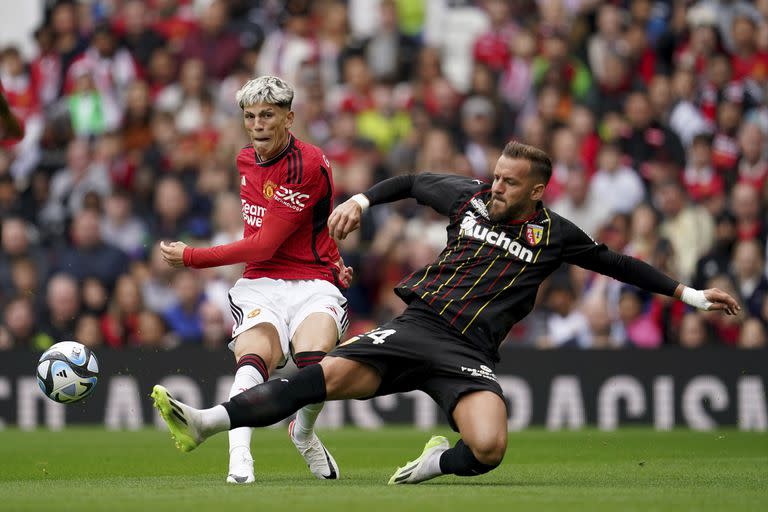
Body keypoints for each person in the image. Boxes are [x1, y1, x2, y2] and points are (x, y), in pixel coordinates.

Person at [152, 141, 740, 485]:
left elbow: (618, 264)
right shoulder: (468, 198)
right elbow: (409, 181)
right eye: (496, 176)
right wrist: (360, 199)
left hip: (468, 354)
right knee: (315, 379)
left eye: (510, 182)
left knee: (488, 450)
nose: (496, 187)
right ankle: (207, 423)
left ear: (538, 190)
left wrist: (691, 296)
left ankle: (437, 461)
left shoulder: (555, 234)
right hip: (417, 327)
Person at [159, 76, 352, 484]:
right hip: (261, 283)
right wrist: (335, 256)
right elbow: (296, 231)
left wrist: (192, 257)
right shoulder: (245, 159)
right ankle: (239, 459)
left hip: (312, 282)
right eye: (250, 116)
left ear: (289, 117)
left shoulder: (308, 164)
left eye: (268, 115)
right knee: (254, 358)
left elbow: (263, 243)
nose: (258, 124)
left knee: (314, 362)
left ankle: (303, 434)